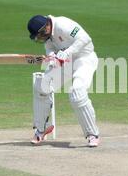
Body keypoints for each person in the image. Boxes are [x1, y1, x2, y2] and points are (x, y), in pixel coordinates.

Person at [27, 15, 100, 147]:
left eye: (40, 34)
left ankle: (92, 134)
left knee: (77, 93)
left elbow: (85, 39)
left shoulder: (63, 24)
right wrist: (52, 56)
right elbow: (49, 48)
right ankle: (41, 130)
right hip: (65, 62)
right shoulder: (48, 35)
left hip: (84, 59)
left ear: (46, 27)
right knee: (42, 86)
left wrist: (67, 52)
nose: (41, 38)